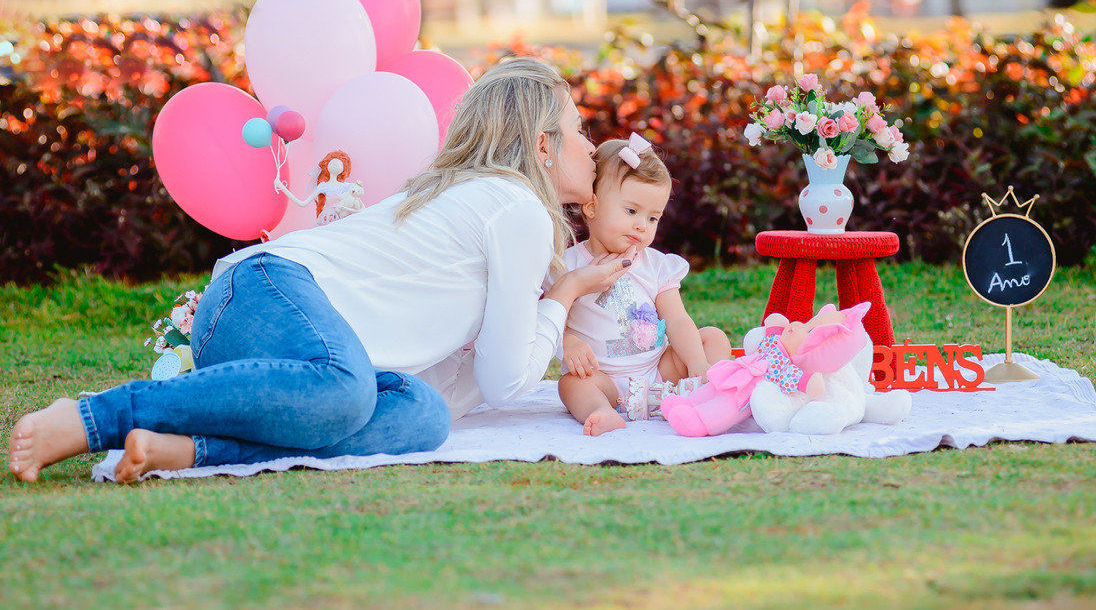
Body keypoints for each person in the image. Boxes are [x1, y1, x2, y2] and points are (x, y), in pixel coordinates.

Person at [9, 57, 632, 483]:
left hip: (281, 353)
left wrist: (553, 304)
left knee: (423, 416)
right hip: (266, 291)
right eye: (578, 130)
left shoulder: (488, 205)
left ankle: (189, 450)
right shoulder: (516, 207)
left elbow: (463, 384)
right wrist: (564, 295)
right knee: (347, 386)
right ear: (542, 146)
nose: (589, 145)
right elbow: (507, 380)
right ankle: (93, 417)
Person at [547, 134, 731, 435]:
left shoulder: (656, 265)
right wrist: (568, 343)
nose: (641, 225)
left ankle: (697, 397)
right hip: (603, 379)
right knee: (570, 384)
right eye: (631, 211)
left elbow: (678, 320)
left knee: (712, 338)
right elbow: (546, 318)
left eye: (653, 218)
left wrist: (697, 362)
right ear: (591, 207)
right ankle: (601, 411)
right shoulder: (567, 265)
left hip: (659, 374)